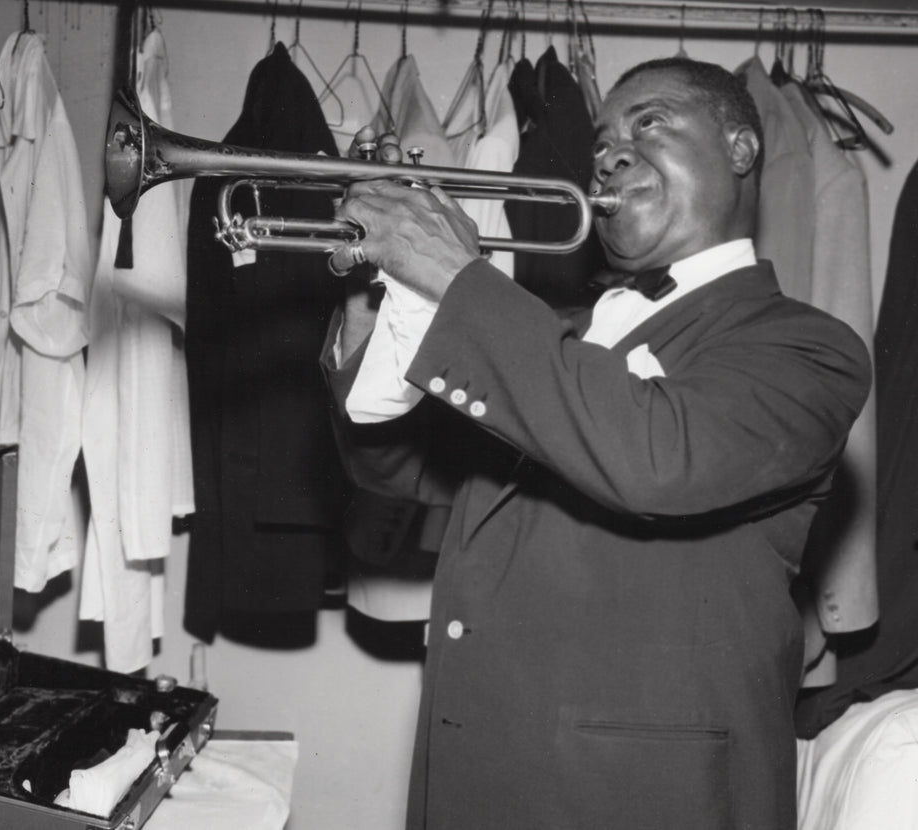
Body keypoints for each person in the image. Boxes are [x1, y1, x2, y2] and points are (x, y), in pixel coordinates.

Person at [320, 57, 872, 830]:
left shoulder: (808, 348)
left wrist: (460, 279)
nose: (611, 153)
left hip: (645, 799)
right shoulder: (559, 334)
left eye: (650, 123)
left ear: (741, 149)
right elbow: (399, 469)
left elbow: (656, 459)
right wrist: (371, 312)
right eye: (602, 141)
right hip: (477, 781)